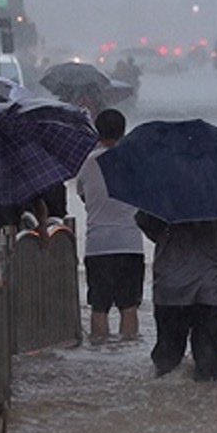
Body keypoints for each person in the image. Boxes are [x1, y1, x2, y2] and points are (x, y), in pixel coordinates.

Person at [135, 210, 217, 382]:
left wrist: (171, 234)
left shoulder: (165, 188)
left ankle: (164, 407)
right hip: (216, 289)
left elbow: (146, 222)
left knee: (167, 366)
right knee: (210, 374)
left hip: (172, 286)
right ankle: (209, 407)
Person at [75, 109, 146, 343]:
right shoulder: (135, 161)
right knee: (129, 306)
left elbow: (84, 196)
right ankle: (127, 348)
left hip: (98, 245)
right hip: (129, 244)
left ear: (98, 130)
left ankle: (99, 350)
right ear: (123, 131)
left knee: (99, 306)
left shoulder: (88, 164)